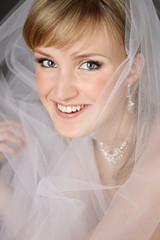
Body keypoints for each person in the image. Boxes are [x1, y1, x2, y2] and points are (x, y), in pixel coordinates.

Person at [0, 0, 159, 239]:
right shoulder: (92, 144)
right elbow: (42, 234)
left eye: (89, 64)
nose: (61, 91)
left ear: (133, 70)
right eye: (48, 62)